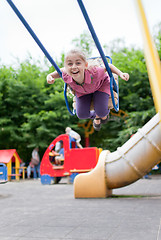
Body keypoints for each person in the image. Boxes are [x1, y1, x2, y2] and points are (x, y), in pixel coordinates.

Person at [47, 49, 129, 131]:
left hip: (100, 86)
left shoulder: (94, 72)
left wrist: (121, 73)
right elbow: (57, 72)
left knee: (102, 112)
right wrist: (50, 76)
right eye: (70, 64)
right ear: (65, 67)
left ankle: (101, 115)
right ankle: (96, 117)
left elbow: (108, 66)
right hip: (82, 92)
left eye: (78, 63)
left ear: (86, 65)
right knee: (82, 115)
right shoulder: (65, 73)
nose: (74, 67)